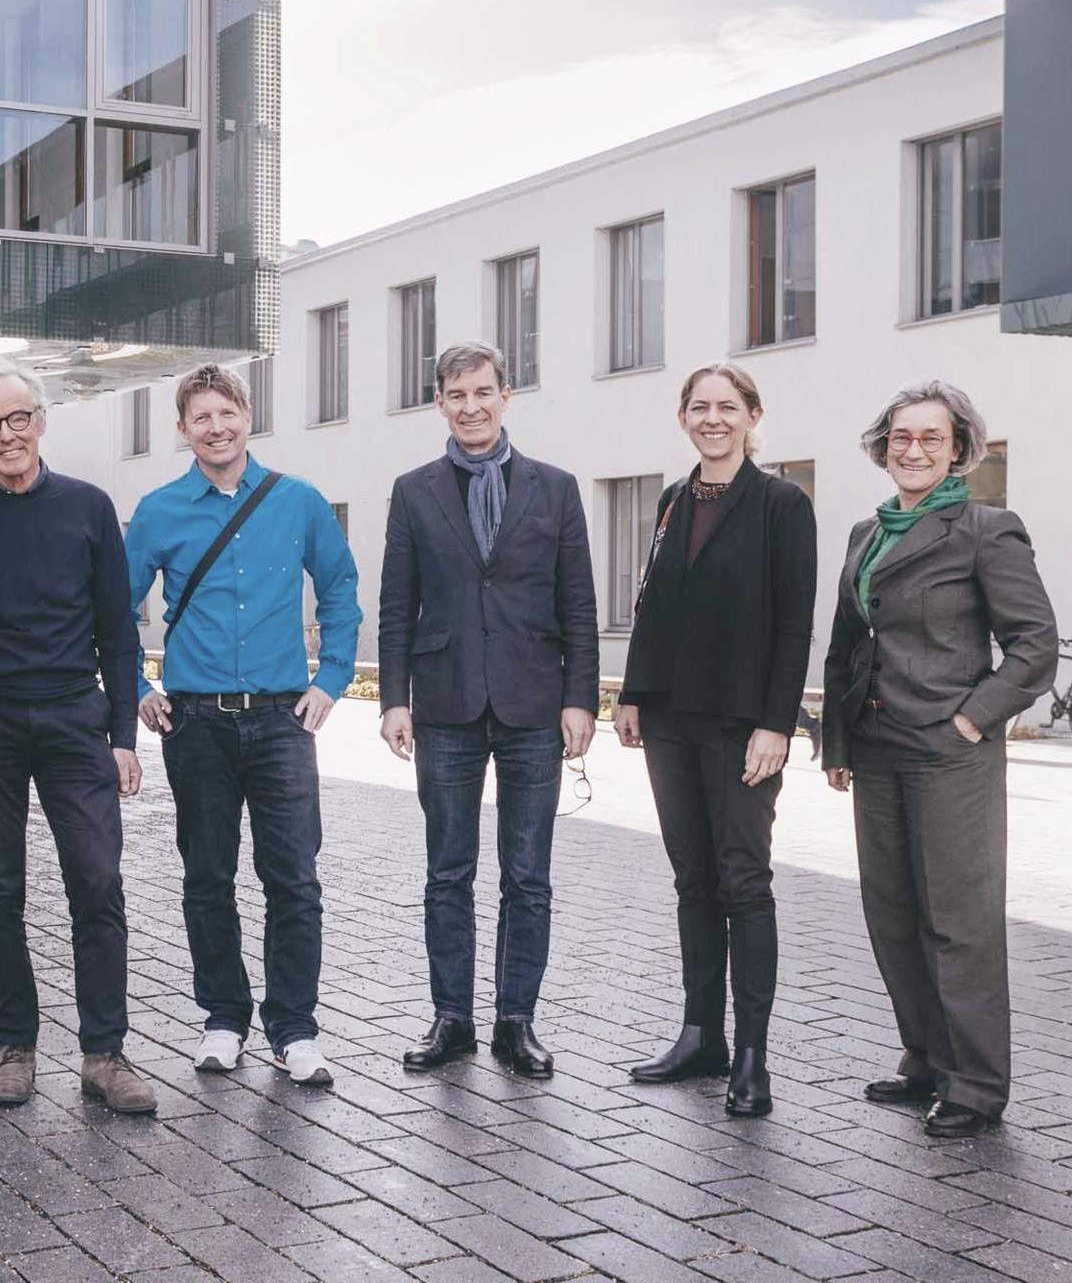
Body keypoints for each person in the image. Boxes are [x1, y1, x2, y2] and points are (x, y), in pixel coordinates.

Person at [0, 358, 155, 1115]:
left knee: (98, 882)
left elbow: (120, 631)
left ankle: (104, 1054)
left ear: (41, 421)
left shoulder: (88, 508)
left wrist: (124, 734)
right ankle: (15, 1048)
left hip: (73, 720)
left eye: (18, 418)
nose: (6, 435)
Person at [822, 380, 1056, 1139]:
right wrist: (837, 741)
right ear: (882, 446)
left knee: (959, 921)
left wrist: (971, 721)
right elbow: (846, 645)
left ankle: (977, 1086)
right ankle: (924, 1058)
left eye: (929, 437)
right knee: (891, 911)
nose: (913, 449)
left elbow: (1034, 647)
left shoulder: (988, 528)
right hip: (879, 745)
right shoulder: (867, 531)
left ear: (957, 449)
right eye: (900, 437)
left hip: (950, 751)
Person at [126, 363, 361, 1086]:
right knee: (207, 876)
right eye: (201, 417)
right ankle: (223, 1018)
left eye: (226, 413)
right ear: (183, 429)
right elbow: (112, 608)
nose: (216, 427)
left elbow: (343, 587)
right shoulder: (159, 510)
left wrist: (332, 679)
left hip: (283, 720)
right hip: (194, 724)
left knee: (293, 878)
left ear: (247, 415)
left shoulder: (298, 502)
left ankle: (294, 1029)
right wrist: (136, 685)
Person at [378, 342, 599, 1078]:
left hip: (535, 703)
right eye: (455, 394)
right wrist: (393, 700)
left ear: (507, 396)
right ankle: (452, 1019)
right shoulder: (414, 491)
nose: (470, 406)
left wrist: (580, 700)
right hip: (444, 706)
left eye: (483, 392)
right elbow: (395, 603)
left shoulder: (556, 488)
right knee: (448, 872)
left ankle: (516, 1021)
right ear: (438, 402)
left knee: (528, 874)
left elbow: (579, 605)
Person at [616, 363, 815, 1118]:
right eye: (699, 407)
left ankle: (753, 1056)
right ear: (683, 417)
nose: (713, 419)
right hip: (669, 718)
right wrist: (634, 693)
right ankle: (702, 1035)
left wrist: (777, 722)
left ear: (752, 415)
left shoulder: (781, 504)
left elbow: (794, 623)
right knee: (693, 879)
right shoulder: (673, 500)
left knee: (744, 881)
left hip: (741, 725)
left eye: (727, 407)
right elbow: (654, 605)